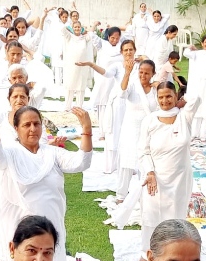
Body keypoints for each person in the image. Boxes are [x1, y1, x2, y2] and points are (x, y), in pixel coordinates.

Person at [0, 98, 92, 261]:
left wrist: (87, 130)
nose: (32, 129)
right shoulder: (11, 153)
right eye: (26, 125)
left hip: (52, 222)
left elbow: (82, 162)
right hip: (20, 225)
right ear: (16, 129)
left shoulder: (52, 153)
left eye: (36, 124)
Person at [137, 82, 200, 251]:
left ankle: (173, 251)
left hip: (180, 177)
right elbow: (143, 151)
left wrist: (183, 100)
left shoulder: (184, 116)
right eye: (161, 97)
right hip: (156, 176)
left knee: (176, 215)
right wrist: (150, 172)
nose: (165, 101)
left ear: (176, 96)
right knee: (152, 215)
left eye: (169, 96)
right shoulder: (149, 120)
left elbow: (196, 98)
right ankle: (149, 252)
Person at [75, 39, 135, 175]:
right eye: (125, 50)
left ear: (135, 50)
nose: (128, 52)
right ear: (121, 52)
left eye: (131, 49)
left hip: (133, 103)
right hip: (119, 103)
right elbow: (106, 73)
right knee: (114, 133)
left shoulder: (139, 66)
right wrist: (90, 64)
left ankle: (129, 165)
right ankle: (112, 165)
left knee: (130, 133)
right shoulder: (117, 66)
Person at [115, 57, 157, 201]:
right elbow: (121, 94)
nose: (143, 76)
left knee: (146, 163)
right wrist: (127, 73)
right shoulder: (132, 85)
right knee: (127, 163)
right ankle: (121, 194)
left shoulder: (155, 89)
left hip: (148, 131)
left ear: (153, 74)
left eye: (146, 73)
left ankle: (144, 194)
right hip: (131, 130)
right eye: (141, 72)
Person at [60, 21, 92, 109]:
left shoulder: (84, 38)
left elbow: (91, 34)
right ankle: (67, 107)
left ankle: (79, 107)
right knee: (70, 86)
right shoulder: (69, 36)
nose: (77, 29)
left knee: (80, 86)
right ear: (73, 28)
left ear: (81, 28)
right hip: (71, 66)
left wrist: (86, 30)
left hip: (82, 66)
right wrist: (70, 25)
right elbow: (63, 29)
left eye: (79, 27)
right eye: (75, 27)